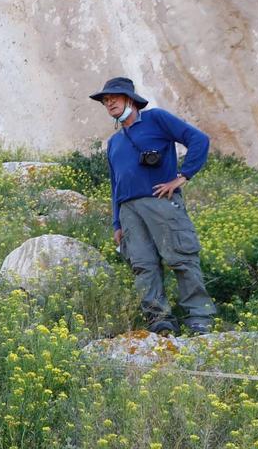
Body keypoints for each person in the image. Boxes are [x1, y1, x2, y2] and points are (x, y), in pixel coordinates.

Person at [90, 76, 216, 335]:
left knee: (181, 257)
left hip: (161, 202)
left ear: (131, 100)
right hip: (129, 213)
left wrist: (182, 177)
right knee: (143, 266)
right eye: (105, 100)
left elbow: (199, 140)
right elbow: (116, 185)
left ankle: (200, 317)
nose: (109, 102)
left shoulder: (156, 119)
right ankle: (159, 322)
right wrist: (117, 222)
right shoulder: (115, 142)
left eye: (114, 97)